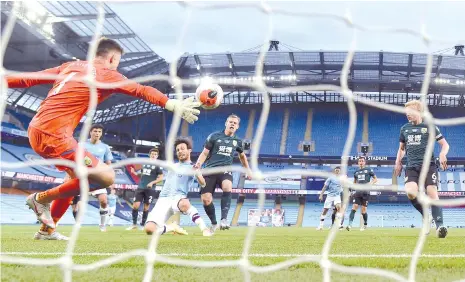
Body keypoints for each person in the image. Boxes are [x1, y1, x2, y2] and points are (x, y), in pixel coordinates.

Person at [7, 37, 201, 240]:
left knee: (74, 179)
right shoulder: (106, 73)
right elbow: (141, 90)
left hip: (35, 129)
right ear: (112, 58)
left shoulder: (71, 66)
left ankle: (47, 230)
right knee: (106, 177)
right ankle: (40, 199)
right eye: (117, 62)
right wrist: (171, 103)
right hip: (54, 134)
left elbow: (28, 78)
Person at [395, 100, 449, 238]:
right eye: (406, 113)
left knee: (432, 193)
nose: (408, 115)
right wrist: (398, 162)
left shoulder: (430, 126)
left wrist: (442, 154)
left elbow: (445, 145)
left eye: (411, 112)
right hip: (411, 166)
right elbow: (401, 149)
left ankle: (440, 226)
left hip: (428, 165)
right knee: (411, 193)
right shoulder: (404, 129)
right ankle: (426, 215)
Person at [194, 114, 252, 232]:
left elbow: (242, 156)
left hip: (225, 170)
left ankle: (224, 219)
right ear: (226, 123)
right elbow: (205, 153)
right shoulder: (214, 137)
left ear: (237, 127)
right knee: (206, 199)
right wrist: (198, 164)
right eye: (230, 122)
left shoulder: (237, 141)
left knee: (227, 186)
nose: (232, 124)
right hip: (210, 170)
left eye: (235, 123)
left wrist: (248, 170)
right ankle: (214, 223)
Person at [145, 138, 212, 237]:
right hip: (163, 199)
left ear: (189, 150)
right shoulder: (173, 166)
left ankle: (204, 228)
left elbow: (203, 184)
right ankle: (172, 227)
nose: (180, 151)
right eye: (177, 150)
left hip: (178, 198)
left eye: (182, 148)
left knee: (185, 203)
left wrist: (197, 173)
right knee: (149, 229)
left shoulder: (192, 167)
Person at [127, 148, 163, 230]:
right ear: (150, 155)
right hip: (140, 187)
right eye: (152, 154)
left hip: (150, 189)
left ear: (157, 156)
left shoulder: (158, 166)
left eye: (155, 154)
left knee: (146, 207)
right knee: (135, 206)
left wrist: (152, 183)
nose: (153, 155)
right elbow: (142, 175)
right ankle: (134, 224)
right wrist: (134, 173)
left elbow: (161, 178)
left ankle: (143, 224)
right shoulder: (145, 164)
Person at [346, 157, 377, 231]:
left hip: (366, 192)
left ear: (364, 162)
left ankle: (365, 224)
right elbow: (354, 182)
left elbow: (375, 179)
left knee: (363, 211)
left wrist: (370, 183)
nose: (361, 162)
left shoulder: (369, 170)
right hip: (358, 192)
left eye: (362, 161)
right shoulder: (356, 172)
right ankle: (349, 225)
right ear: (358, 163)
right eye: (359, 161)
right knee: (354, 208)